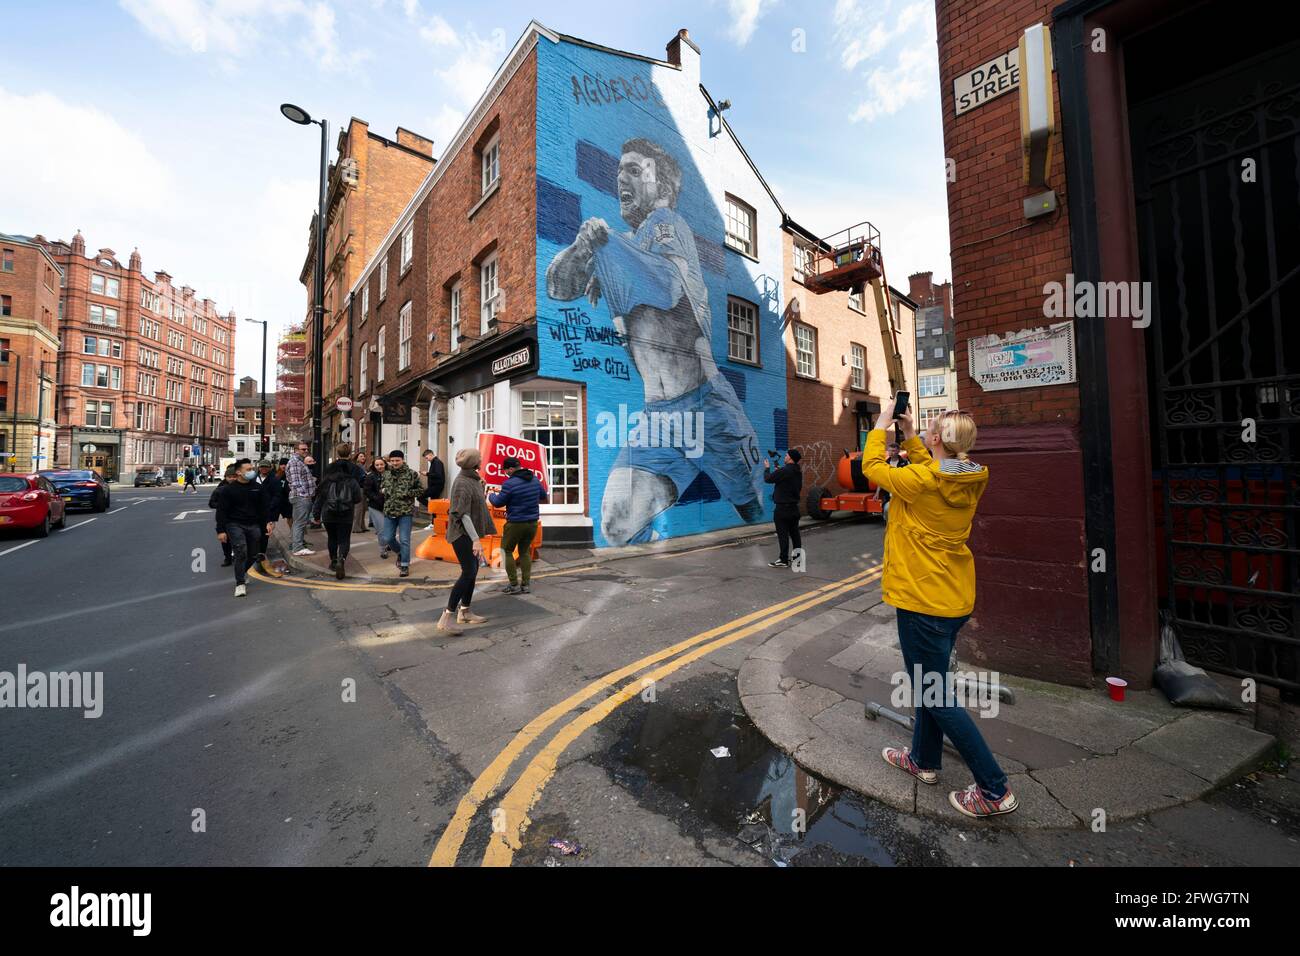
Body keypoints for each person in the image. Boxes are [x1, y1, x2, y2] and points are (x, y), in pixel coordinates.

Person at [546, 136, 764, 544]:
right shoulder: (619, 245)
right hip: (658, 419)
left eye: (633, 169)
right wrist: (584, 245)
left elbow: (666, 287)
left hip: (708, 407)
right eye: (617, 170)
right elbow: (557, 287)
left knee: (752, 512)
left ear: (661, 185)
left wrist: (611, 252)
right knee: (615, 523)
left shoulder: (668, 225)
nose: (620, 179)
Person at [864, 397, 1016, 819]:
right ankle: (923, 761)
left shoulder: (923, 479)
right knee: (928, 685)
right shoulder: (968, 473)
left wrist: (881, 423)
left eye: (931, 429)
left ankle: (994, 788)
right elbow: (932, 469)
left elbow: (873, 468)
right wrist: (913, 436)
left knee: (934, 692)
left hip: (922, 600)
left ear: (938, 439)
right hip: (952, 598)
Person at [440, 448, 497, 634]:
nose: (482, 459)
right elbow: (462, 514)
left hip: (469, 534)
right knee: (468, 572)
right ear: (474, 462)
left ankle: (465, 611)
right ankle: (446, 617)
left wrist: (481, 488)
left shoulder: (472, 480)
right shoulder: (462, 483)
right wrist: (476, 540)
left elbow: (475, 505)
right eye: (479, 457)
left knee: (472, 571)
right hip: (462, 535)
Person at [215, 459, 276, 598]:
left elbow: (264, 508)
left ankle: (241, 572)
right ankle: (240, 583)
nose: (251, 471)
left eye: (251, 469)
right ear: (238, 472)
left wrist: (268, 522)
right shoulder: (228, 490)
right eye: (248, 470)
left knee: (254, 554)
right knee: (240, 550)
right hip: (234, 524)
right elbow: (221, 511)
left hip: (253, 524)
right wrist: (221, 530)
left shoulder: (258, 488)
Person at [489, 455, 548, 594]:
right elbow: (543, 495)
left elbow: (497, 502)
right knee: (525, 552)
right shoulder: (534, 479)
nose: (505, 473)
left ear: (510, 469)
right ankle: (525, 585)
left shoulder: (509, 484)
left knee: (506, 551)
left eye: (505, 470)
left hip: (515, 523)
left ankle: (514, 584)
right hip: (532, 522)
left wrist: (491, 495)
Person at [314, 443, 364, 580]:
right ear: (350, 453)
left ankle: (334, 561)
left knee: (332, 538)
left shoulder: (327, 479)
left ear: (337, 453)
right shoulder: (352, 478)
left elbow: (320, 497)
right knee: (344, 539)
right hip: (346, 513)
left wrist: (316, 514)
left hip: (328, 513)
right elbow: (358, 498)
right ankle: (342, 559)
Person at [378, 449, 426, 577]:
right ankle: (400, 552)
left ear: (402, 460)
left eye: (397, 460)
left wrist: (406, 493)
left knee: (405, 539)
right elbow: (382, 487)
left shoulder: (411, 474)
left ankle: (404, 565)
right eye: (392, 460)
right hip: (389, 511)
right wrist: (383, 490)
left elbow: (420, 490)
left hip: (405, 512)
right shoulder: (386, 474)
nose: (394, 463)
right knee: (387, 538)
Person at [763, 449, 802, 569]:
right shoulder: (797, 471)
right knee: (795, 535)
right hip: (794, 508)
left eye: (786, 455)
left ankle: (783, 560)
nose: (785, 456)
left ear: (790, 458)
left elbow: (768, 479)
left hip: (782, 509)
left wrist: (767, 468)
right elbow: (786, 480)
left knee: (783, 535)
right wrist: (779, 472)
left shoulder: (784, 471)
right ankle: (797, 560)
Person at [286, 441, 317, 555]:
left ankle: (298, 545)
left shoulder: (299, 461)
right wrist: (305, 495)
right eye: (303, 449)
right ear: (296, 450)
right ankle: (298, 548)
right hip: (300, 497)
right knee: (300, 523)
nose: (306, 451)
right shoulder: (295, 462)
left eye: (306, 449)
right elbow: (296, 482)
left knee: (298, 522)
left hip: (300, 496)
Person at [209, 465, 238, 566]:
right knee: (225, 539)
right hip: (224, 518)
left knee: (238, 538)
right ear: (226, 477)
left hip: (239, 518)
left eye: (234, 476)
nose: (232, 479)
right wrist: (223, 506)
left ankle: (238, 555)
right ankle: (227, 557)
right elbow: (212, 503)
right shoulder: (220, 489)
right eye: (230, 477)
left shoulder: (244, 487)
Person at [363, 455, 389, 554]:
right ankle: (383, 549)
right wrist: (378, 496)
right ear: (374, 466)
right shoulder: (370, 476)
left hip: (389, 506)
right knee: (381, 528)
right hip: (375, 506)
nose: (379, 466)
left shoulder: (390, 475)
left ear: (385, 464)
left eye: (381, 464)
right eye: (377, 465)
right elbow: (367, 491)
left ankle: (388, 543)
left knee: (390, 529)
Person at [351, 452, 371, 533]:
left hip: (363, 488)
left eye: (364, 456)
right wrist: (367, 475)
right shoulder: (357, 466)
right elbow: (360, 477)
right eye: (361, 456)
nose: (363, 457)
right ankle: (356, 527)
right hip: (359, 488)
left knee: (363, 508)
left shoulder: (363, 466)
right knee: (358, 508)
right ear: (357, 458)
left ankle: (362, 526)